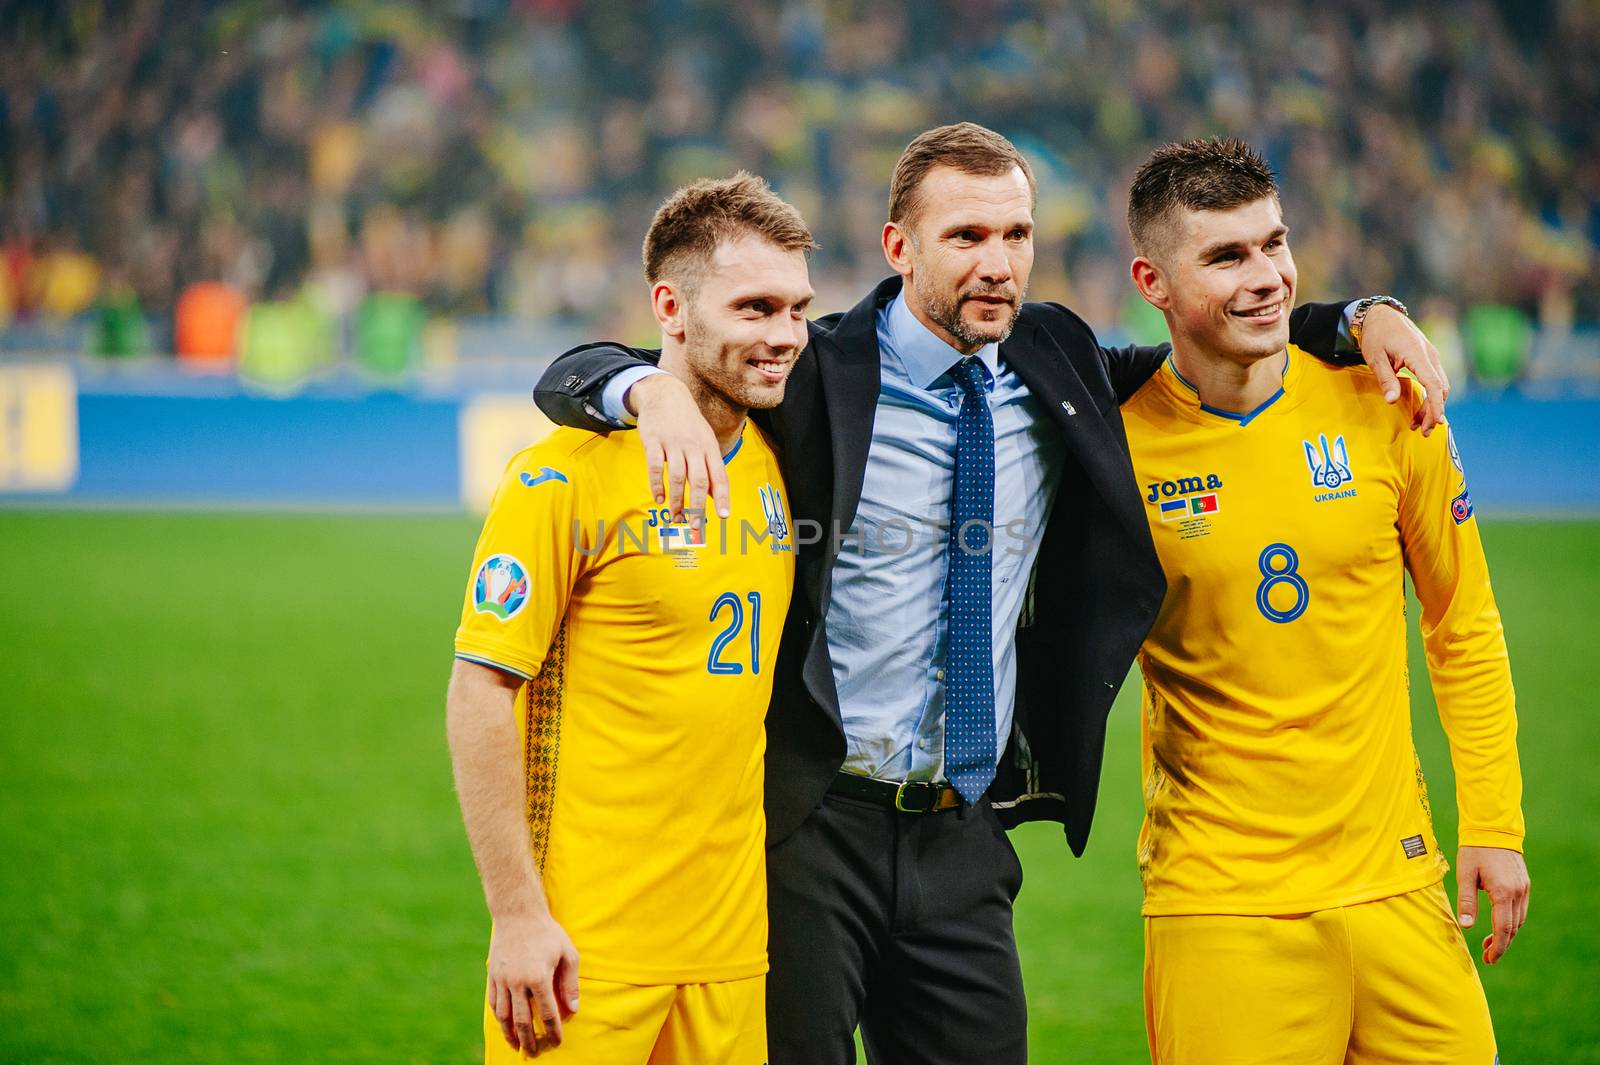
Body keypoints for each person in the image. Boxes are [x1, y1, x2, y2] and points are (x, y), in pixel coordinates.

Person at [532, 123, 1446, 1065]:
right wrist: (646, 388)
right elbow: (572, 371)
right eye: (967, 237)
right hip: (812, 832)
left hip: (963, 835)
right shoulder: (816, 370)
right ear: (900, 247)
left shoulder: (1060, 360)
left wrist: (1357, 315)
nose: (999, 263)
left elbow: (1208, 334)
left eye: (1017, 235)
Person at [1120, 138, 1528, 1064]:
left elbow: (1462, 625)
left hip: (1398, 886)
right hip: (1221, 904)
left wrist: (1495, 825)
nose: (1266, 277)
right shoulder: (1111, 440)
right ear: (1154, 279)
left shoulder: (1388, 401)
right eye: (1226, 256)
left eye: (1275, 243)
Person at [445, 172, 814, 1064]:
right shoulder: (563, 475)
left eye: (799, 308)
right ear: (670, 307)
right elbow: (480, 690)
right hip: (584, 952)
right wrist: (518, 916)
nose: (785, 336)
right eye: (756, 307)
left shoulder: (784, 453)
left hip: (730, 953)